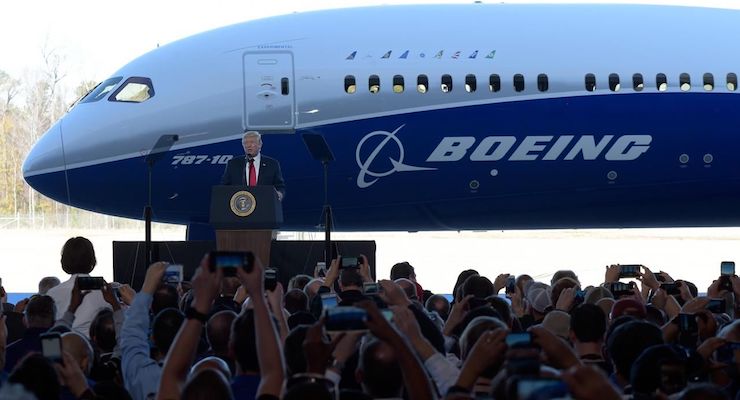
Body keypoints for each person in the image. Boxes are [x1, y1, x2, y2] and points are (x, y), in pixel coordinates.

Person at [46, 237, 111, 337]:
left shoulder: (52, 293)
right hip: (95, 349)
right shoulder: (106, 292)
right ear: (92, 259)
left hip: (61, 348)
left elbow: (49, 336)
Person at [221, 131, 286, 201]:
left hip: (265, 204)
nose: (248, 145)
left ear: (260, 144)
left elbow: (279, 186)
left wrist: (279, 194)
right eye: (245, 143)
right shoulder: (233, 164)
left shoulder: (272, 164)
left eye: (252, 142)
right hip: (241, 206)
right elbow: (225, 186)